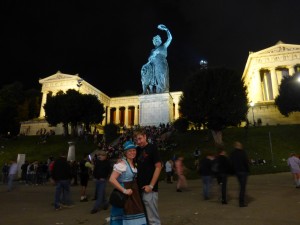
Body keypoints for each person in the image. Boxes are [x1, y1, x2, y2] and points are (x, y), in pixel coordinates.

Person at [109, 140, 147, 225]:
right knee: (124, 215)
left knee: (135, 213)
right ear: (126, 152)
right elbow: (112, 179)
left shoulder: (133, 163)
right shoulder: (122, 164)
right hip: (125, 194)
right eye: (130, 151)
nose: (132, 152)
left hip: (134, 194)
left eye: (134, 150)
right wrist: (124, 190)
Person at [134, 128, 162, 225]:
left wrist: (151, 186)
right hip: (139, 189)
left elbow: (158, 167)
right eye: (136, 140)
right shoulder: (137, 150)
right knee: (145, 218)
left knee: (153, 219)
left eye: (140, 138)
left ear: (145, 136)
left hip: (149, 189)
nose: (138, 142)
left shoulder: (152, 148)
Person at [141, 24, 172, 94]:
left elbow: (170, 38)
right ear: (153, 42)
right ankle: (151, 91)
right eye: (155, 40)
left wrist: (166, 29)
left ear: (160, 40)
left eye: (157, 39)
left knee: (162, 77)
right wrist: (152, 56)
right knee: (155, 79)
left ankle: (163, 90)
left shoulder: (164, 46)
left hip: (162, 64)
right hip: (154, 66)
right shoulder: (152, 50)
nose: (156, 41)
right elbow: (149, 59)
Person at [229, 141, 250, 207]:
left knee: (241, 186)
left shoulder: (232, 154)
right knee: (242, 187)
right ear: (239, 146)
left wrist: (232, 172)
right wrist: (248, 170)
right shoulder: (243, 153)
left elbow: (231, 164)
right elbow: (246, 162)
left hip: (237, 172)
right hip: (243, 171)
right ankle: (241, 202)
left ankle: (241, 200)